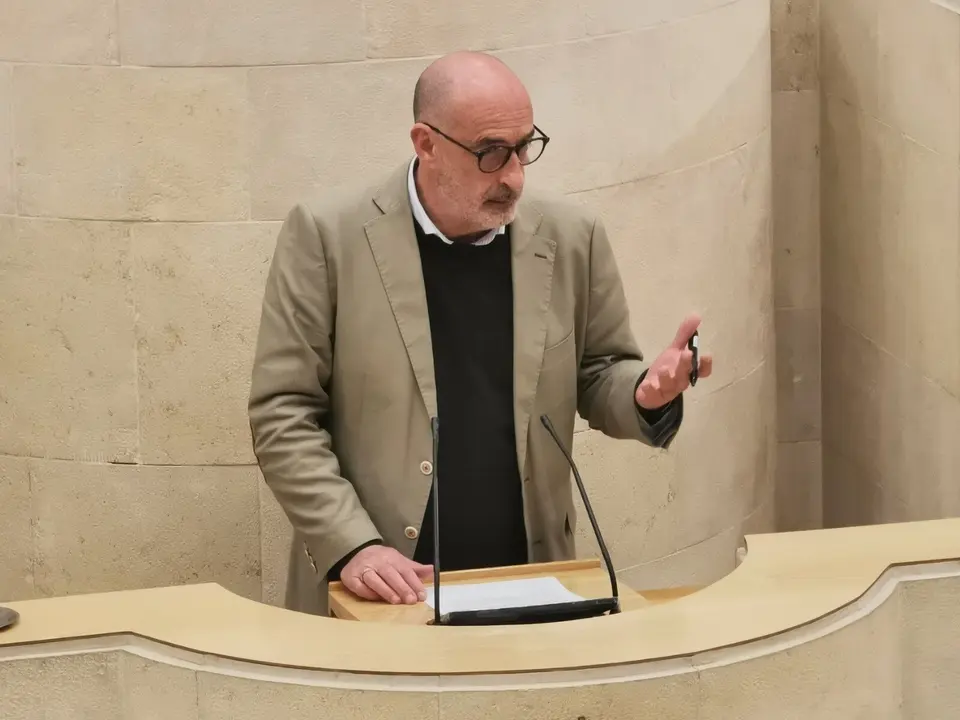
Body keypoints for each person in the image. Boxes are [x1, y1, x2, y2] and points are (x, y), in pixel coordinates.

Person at [248, 51, 713, 615]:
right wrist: (354, 545)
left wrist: (643, 395)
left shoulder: (571, 235)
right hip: (385, 587)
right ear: (426, 144)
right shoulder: (328, 236)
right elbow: (283, 412)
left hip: (531, 579)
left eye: (524, 147)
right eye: (491, 153)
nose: (514, 176)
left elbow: (598, 373)